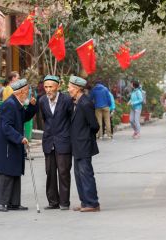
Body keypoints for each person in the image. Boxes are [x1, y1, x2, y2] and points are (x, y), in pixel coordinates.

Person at [0, 79, 38, 212]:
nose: (28, 94)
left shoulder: (17, 103)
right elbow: (6, 127)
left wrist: (32, 106)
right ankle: (0, 203)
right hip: (7, 144)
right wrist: (19, 137)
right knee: (6, 173)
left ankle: (13, 202)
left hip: (14, 143)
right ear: (21, 92)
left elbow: (24, 118)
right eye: (27, 91)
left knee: (15, 172)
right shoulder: (10, 104)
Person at [39, 75, 73, 210]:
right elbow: (44, 119)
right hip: (49, 141)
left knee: (64, 172)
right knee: (50, 172)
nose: (48, 90)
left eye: (51, 87)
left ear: (57, 87)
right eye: (46, 87)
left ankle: (64, 202)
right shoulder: (42, 101)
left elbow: (72, 119)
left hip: (64, 141)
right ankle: (53, 202)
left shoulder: (67, 100)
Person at [68, 76, 100, 212]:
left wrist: (85, 136)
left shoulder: (86, 103)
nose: (68, 90)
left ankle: (92, 203)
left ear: (77, 89)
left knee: (86, 174)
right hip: (77, 145)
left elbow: (94, 125)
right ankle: (84, 202)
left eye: (70, 87)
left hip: (84, 144)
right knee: (79, 174)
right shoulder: (76, 102)